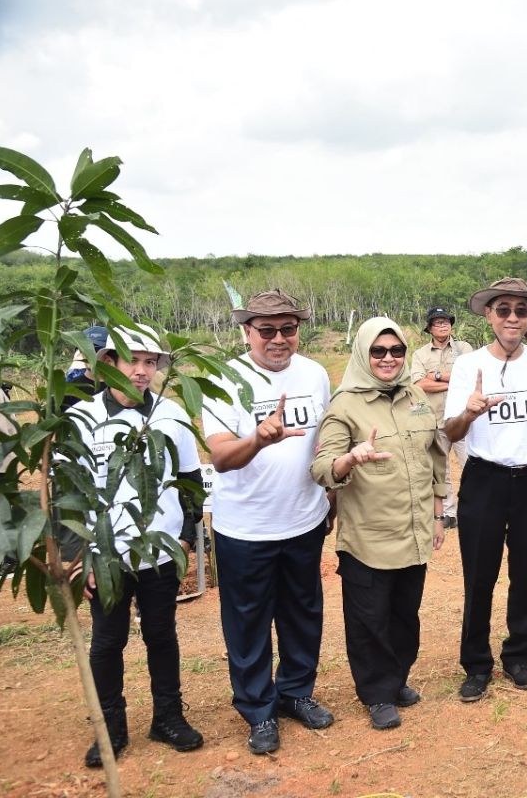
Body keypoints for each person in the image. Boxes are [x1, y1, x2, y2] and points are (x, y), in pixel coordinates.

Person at [201, 289, 334, 754]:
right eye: (267, 330)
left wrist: (330, 497)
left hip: (303, 519)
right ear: (247, 332)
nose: (278, 339)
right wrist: (257, 439)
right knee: (248, 623)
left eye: (288, 328)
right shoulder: (223, 379)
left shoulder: (316, 374)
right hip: (245, 529)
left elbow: (322, 442)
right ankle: (258, 711)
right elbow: (219, 456)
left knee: (302, 613)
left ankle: (295, 692)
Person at [69, 325, 204, 767]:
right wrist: (80, 556)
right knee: (107, 642)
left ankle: (167, 716)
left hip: (160, 551)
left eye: (151, 362)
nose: (143, 371)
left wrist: (185, 535)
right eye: (133, 359)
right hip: (105, 555)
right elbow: (69, 495)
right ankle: (111, 728)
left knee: (161, 634)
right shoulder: (82, 419)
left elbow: (189, 482)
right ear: (107, 364)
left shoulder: (171, 415)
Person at [311, 318, 447, 730]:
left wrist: (439, 515)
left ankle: (397, 678)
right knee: (370, 619)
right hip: (369, 537)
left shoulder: (416, 397)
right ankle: (376, 693)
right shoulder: (344, 405)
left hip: (415, 529)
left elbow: (436, 458)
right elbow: (321, 468)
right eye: (378, 351)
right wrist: (351, 458)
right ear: (363, 355)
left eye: (397, 351)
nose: (389, 359)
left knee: (406, 614)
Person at [444, 277, 527, 702]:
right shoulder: (467, 366)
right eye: (504, 310)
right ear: (489, 315)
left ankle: (518, 657)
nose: (513, 317)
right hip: (484, 480)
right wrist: (469, 414)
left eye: (520, 310)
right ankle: (476, 665)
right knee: (480, 576)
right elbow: (450, 429)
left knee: (525, 575)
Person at [410, 306, 473, 529]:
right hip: (435, 419)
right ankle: (448, 513)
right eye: (437, 322)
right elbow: (419, 384)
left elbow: (470, 377)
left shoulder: (464, 348)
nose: (443, 325)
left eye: (446, 321)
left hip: (464, 418)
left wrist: (437, 375)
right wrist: (453, 379)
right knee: (441, 468)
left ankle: (471, 509)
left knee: (471, 466)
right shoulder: (420, 354)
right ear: (429, 328)